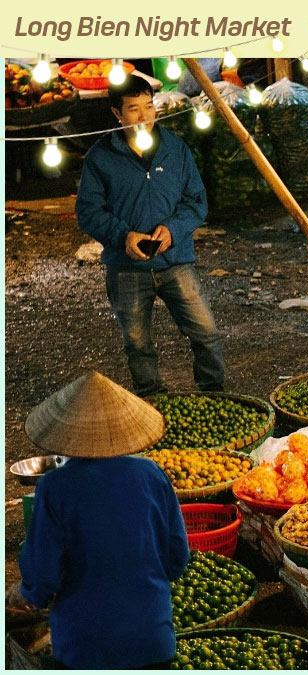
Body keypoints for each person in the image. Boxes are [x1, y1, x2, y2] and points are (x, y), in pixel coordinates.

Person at [8, 371, 190, 669]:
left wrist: (26, 596)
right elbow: (176, 558)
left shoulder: (55, 487)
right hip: (153, 641)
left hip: (85, 647)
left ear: (66, 434)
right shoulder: (152, 474)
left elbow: (43, 578)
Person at [76, 75, 223, 397]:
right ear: (117, 113)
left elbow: (196, 201)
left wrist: (173, 230)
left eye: (148, 106)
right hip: (126, 268)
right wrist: (123, 236)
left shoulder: (175, 148)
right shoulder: (101, 156)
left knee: (206, 334)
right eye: (132, 109)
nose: (143, 116)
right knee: (138, 344)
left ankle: (215, 396)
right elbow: (88, 212)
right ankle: (151, 401)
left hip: (176, 262)